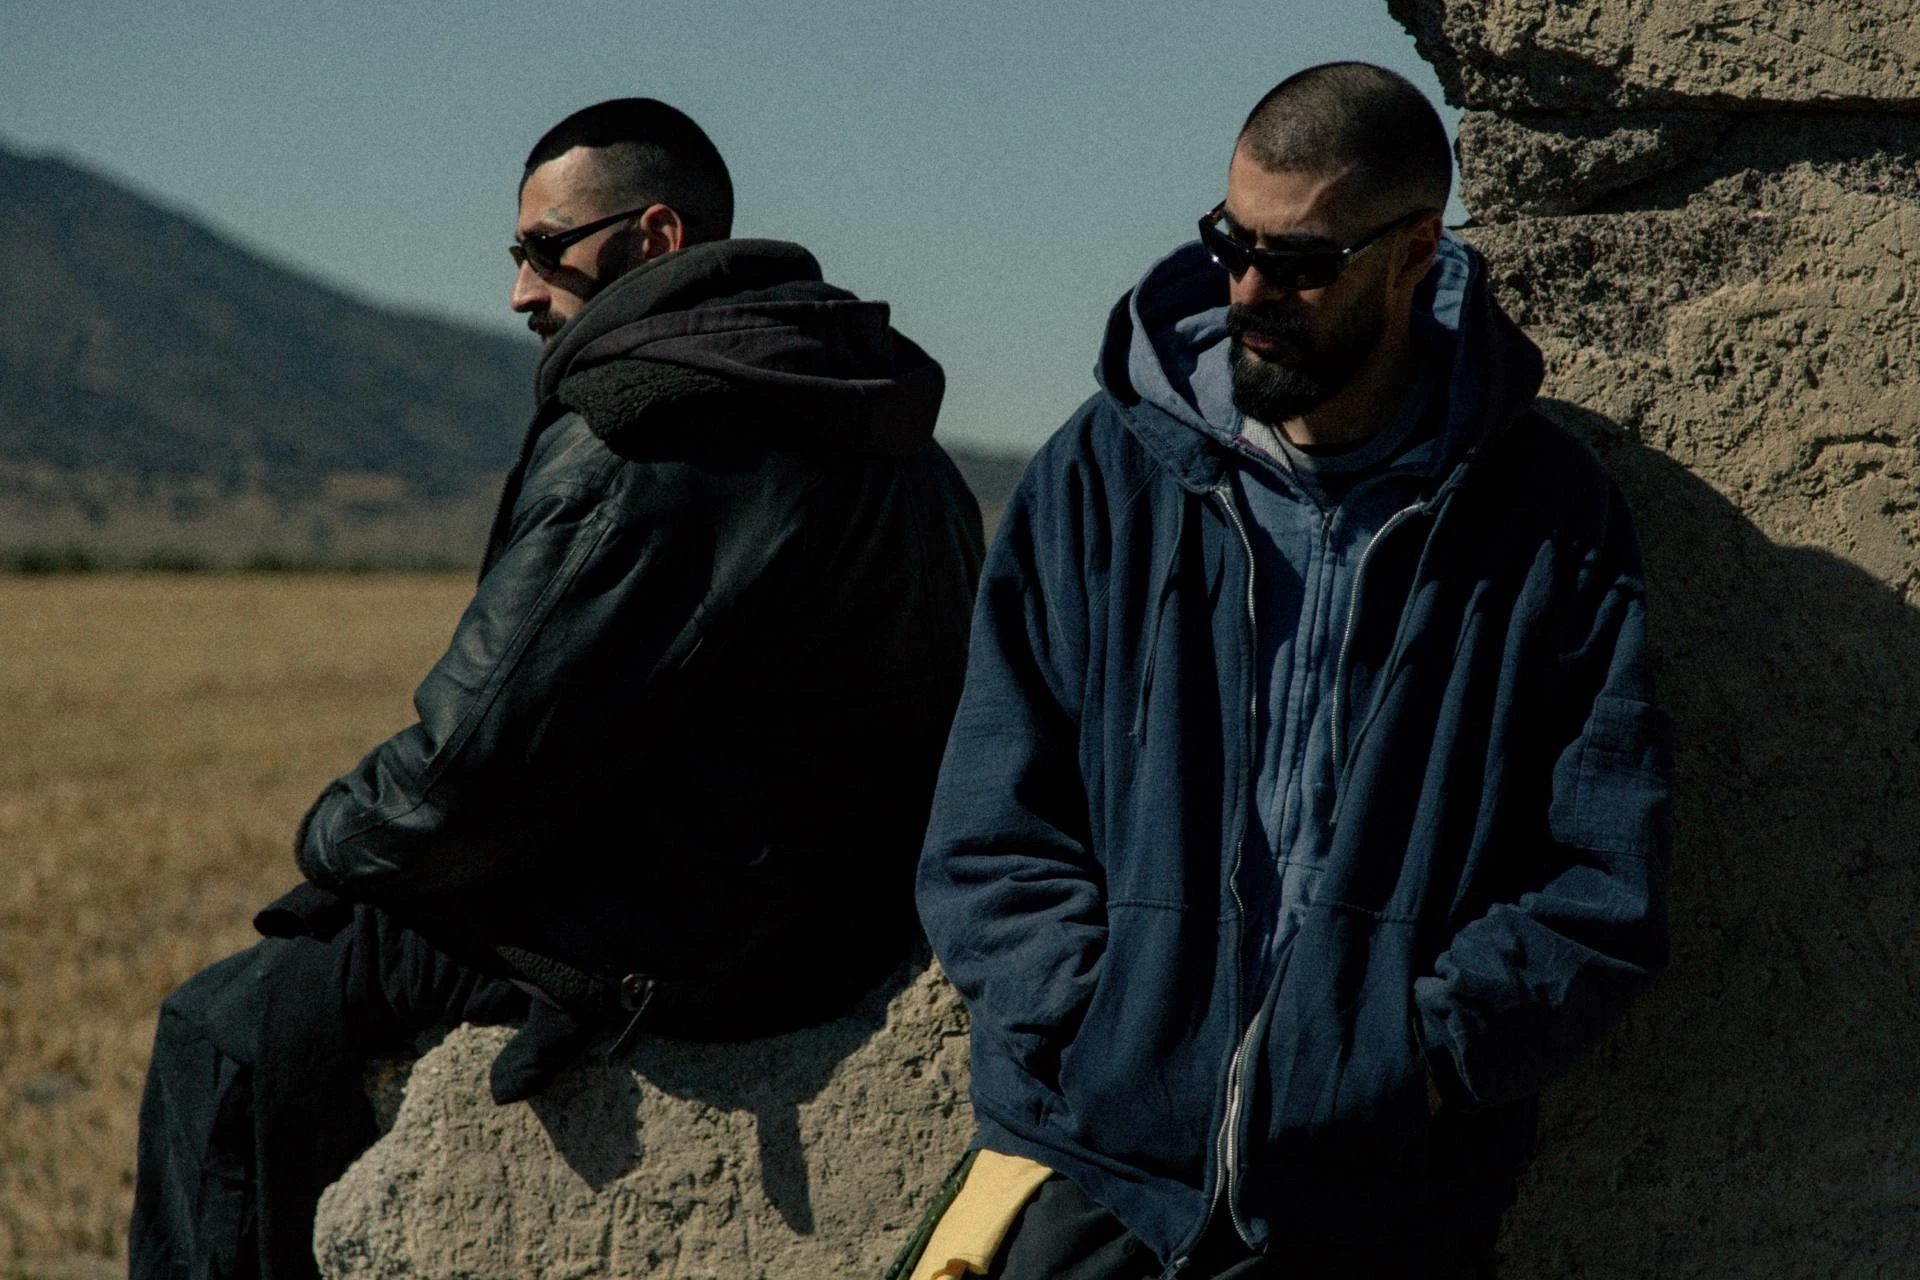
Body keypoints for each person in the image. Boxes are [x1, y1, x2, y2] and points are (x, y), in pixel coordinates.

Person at [132, 97, 983, 1280]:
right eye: (515, 253)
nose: (520, 292)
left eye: (545, 249)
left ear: (657, 238)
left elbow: (460, 777)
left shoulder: (642, 427)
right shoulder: (885, 418)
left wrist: (326, 841)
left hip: (696, 946)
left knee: (226, 1028)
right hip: (846, 926)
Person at [914, 63, 1671, 1280]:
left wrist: (1408, 1062)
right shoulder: (1104, 477)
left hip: (1385, 1207)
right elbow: (989, 824)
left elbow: (1599, 878)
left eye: (1302, 262)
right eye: (1232, 243)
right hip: (1092, 1184)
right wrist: (1098, 1031)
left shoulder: (1544, 520)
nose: (1250, 291)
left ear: (1415, 251)